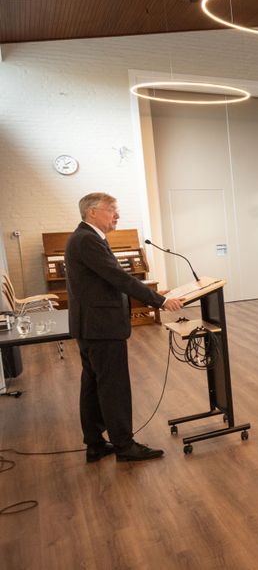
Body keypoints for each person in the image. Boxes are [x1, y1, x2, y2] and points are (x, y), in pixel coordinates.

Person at [66, 192, 185, 463]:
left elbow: (105, 281)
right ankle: (124, 445)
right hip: (100, 327)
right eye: (111, 210)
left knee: (94, 384)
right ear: (92, 212)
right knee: (113, 386)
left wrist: (151, 291)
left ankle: (95, 443)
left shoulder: (86, 237)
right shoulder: (87, 239)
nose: (117, 215)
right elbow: (117, 277)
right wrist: (160, 300)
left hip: (91, 326)